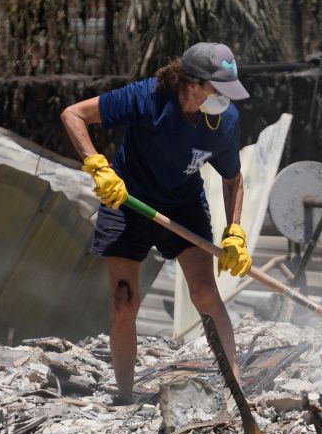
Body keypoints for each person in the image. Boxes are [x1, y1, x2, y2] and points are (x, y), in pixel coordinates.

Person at [60, 42, 253, 405]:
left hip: (182, 206)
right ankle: (125, 398)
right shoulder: (148, 97)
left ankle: (237, 391)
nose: (225, 99)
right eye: (218, 89)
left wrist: (235, 232)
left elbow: (232, 178)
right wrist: (97, 166)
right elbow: (74, 114)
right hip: (126, 201)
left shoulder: (225, 121)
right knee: (123, 302)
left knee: (205, 294)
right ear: (191, 83)